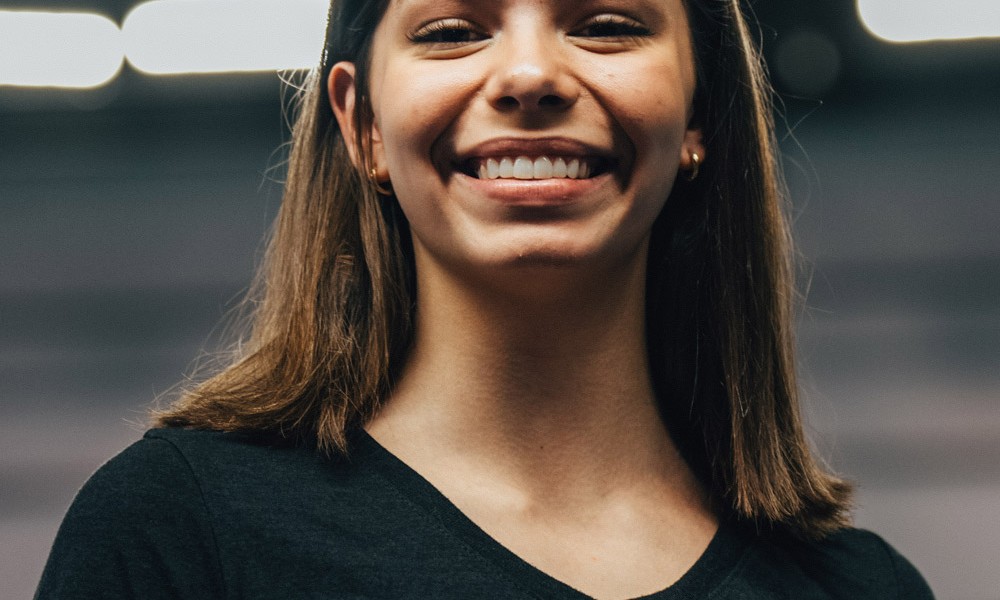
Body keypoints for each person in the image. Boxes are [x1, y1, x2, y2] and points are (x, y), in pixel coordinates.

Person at [37, 0, 934, 598]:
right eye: (453, 29)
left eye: (609, 23)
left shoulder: (863, 588)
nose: (530, 75)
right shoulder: (180, 531)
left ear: (701, 114)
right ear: (364, 127)